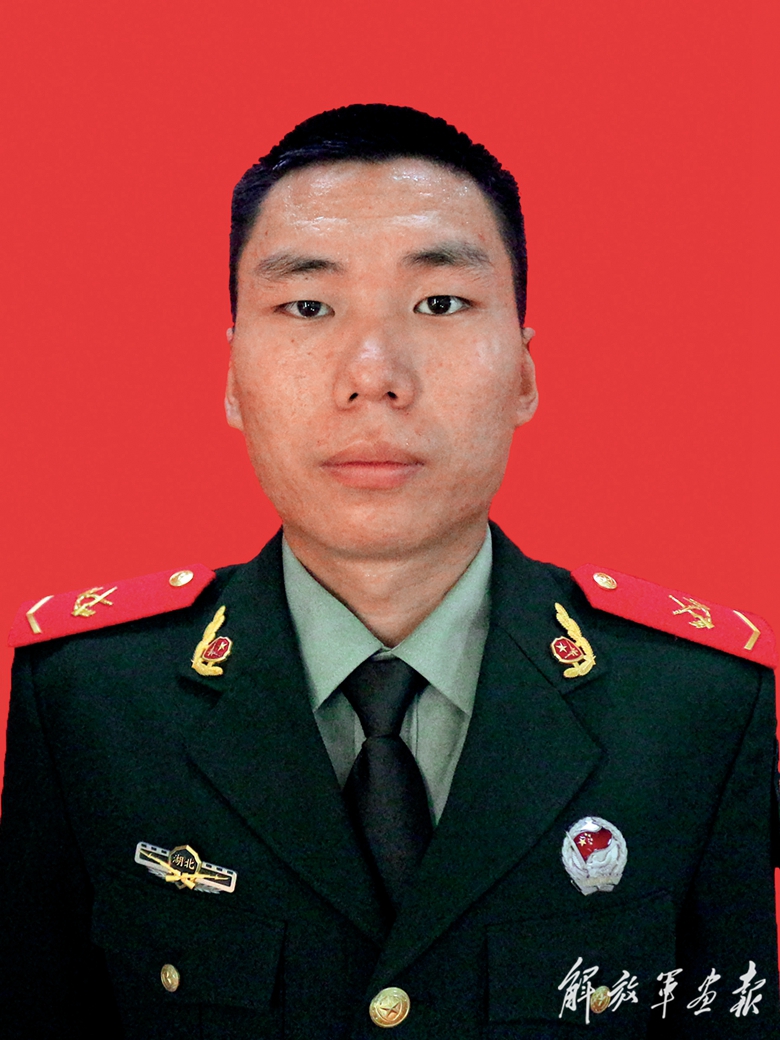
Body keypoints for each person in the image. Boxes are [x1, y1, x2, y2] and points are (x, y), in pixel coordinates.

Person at [1, 104, 777, 1039]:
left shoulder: (698, 707)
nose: (374, 375)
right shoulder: (86, 701)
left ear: (524, 373)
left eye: (440, 304)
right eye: (308, 306)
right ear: (234, 376)